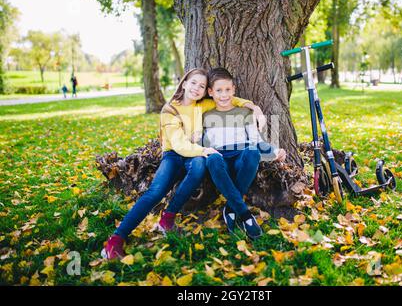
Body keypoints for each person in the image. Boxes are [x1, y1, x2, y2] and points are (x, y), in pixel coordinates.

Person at [102, 68, 266, 260]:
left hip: (194, 155)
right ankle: (116, 239)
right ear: (184, 82)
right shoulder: (169, 110)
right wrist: (204, 150)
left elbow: (231, 99)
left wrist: (255, 108)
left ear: (206, 91)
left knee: (198, 167)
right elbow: (179, 145)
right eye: (194, 82)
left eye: (202, 86)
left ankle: (168, 218)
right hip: (174, 155)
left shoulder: (200, 105)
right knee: (155, 191)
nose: (197, 88)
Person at [203, 67, 286, 240]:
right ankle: (245, 215)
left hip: (242, 158)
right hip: (220, 159)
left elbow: (256, 140)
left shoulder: (244, 112)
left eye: (227, 90)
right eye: (219, 90)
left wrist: (274, 151)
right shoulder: (206, 115)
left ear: (234, 89)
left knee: (252, 152)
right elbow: (203, 144)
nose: (224, 95)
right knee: (212, 160)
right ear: (210, 92)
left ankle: (230, 208)